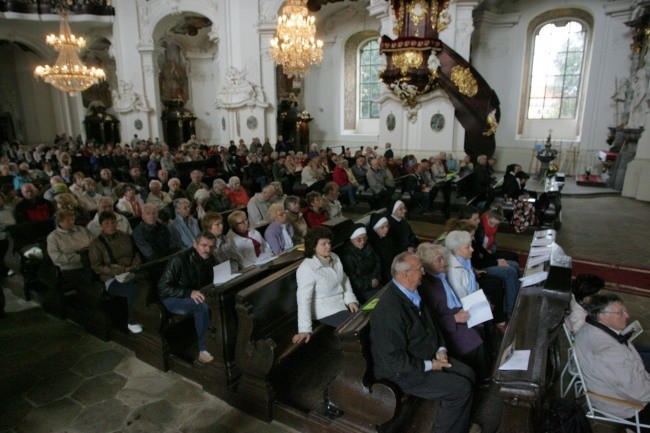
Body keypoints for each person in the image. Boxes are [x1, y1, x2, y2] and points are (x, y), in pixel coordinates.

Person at [369, 252, 477, 433]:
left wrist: (441, 349)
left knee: (469, 373)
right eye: (420, 270)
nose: (424, 273)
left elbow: (433, 325)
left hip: (427, 356)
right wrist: (430, 365)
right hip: (403, 372)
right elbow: (393, 360)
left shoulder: (413, 292)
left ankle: (459, 427)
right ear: (405, 274)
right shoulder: (389, 310)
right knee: (460, 389)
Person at [574, 294, 650, 429]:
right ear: (602, 315)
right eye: (620, 313)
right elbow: (637, 392)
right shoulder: (608, 352)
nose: (627, 315)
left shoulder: (590, 325)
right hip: (627, 406)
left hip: (624, 380)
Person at [417, 243, 489, 381]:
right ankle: (479, 379)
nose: (444, 263)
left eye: (443, 258)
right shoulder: (426, 286)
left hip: (455, 314)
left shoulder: (439, 276)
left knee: (481, 326)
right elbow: (430, 321)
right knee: (474, 343)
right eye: (439, 260)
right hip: (446, 325)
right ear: (426, 264)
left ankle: (483, 374)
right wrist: (454, 319)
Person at [292, 227, 359, 344]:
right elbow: (303, 299)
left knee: (364, 316)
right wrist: (304, 329)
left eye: (329, 243)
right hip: (324, 309)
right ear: (313, 246)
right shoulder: (306, 268)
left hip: (340, 303)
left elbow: (344, 280)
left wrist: (350, 300)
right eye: (324, 244)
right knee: (355, 325)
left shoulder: (334, 257)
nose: (328, 246)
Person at [158, 231, 217, 363]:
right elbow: (163, 287)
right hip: (172, 297)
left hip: (195, 293)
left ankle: (218, 340)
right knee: (201, 306)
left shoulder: (210, 258)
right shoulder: (179, 259)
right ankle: (203, 350)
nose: (208, 249)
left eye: (212, 246)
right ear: (195, 244)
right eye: (204, 245)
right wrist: (187, 293)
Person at [88, 211, 143, 334]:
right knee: (134, 289)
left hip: (132, 272)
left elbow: (136, 253)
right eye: (106, 223)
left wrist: (135, 264)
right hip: (111, 278)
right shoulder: (96, 244)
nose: (111, 225)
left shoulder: (125, 236)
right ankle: (132, 321)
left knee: (149, 281)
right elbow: (97, 266)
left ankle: (149, 316)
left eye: (113, 222)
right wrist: (120, 270)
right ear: (101, 225)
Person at [445, 230, 507, 332]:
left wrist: (483, 300)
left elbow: (473, 285)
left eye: (471, 245)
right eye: (467, 247)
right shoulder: (453, 271)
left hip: (473, 297)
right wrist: (483, 303)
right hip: (465, 307)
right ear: (456, 250)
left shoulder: (465, 259)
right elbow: (463, 298)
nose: (472, 249)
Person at [46, 209, 94, 289]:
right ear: (60, 222)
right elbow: (56, 257)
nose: (72, 222)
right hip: (71, 268)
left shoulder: (82, 230)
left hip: (91, 263)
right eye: (68, 220)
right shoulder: (53, 237)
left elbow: (94, 244)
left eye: (73, 219)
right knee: (86, 280)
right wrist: (81, 258)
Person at [340, 224, 381, 303]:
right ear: (352, 239)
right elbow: (352, 279)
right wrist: (369, 283)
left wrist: (376, 278)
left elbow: (377, 263)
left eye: (365, 238)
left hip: (375, 282)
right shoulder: (347, 255)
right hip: (362, 290)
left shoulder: (368, 246)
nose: (362, 242)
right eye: (359, 239)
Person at [368, 214, 398, 284]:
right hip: (381, 272)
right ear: (375, 228)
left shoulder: (389, 236)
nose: (386, 229)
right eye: (382, 227)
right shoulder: (370, 242)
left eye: (387, 226)